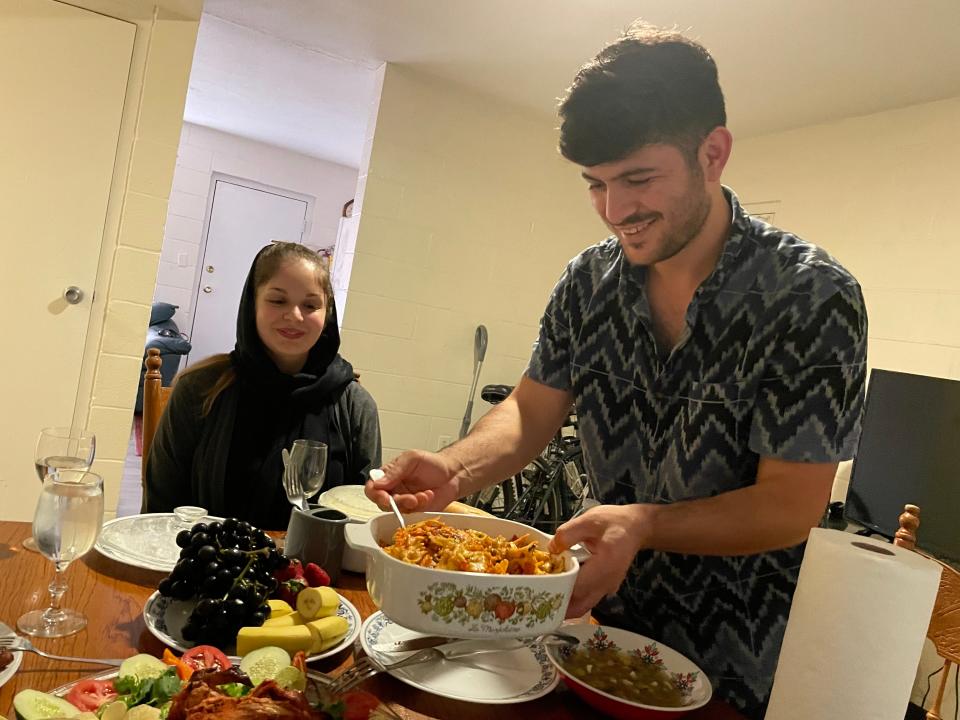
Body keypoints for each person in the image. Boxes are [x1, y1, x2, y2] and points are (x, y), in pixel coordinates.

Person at [366, 21, 867, 717]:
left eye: (638, 179)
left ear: (713, 153)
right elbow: (530, 410)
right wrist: (459, 470)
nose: (614, 211)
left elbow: (791, 505)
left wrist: (645, 525)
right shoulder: (586, 284)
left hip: (736, 663)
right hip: (590, 627)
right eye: (595, 184)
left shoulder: (812, 297)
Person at [145, 242, 381, 530]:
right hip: (211, 567)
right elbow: (161, 510)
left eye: (310, 304)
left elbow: (364, 521)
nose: (294, 316)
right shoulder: (199, 389)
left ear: (327, 314)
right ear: (251, 304)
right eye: (278, 301)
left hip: (313, 572)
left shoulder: (355, 405)